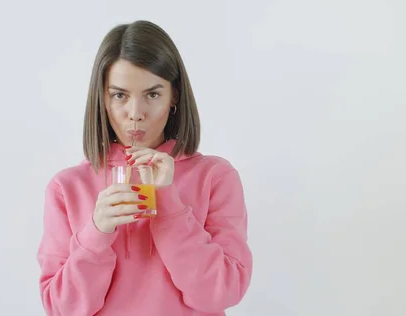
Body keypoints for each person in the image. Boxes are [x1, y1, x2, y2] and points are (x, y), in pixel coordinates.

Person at [36, 20, 253, 316]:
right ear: (102, 98)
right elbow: (62, 308)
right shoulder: (66, 188)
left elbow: (223, 292)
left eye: (152, 94)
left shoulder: (215, 177)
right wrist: (97, 233)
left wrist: (169, 204)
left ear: (174, 95)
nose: (135, 114)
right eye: (120, 95)